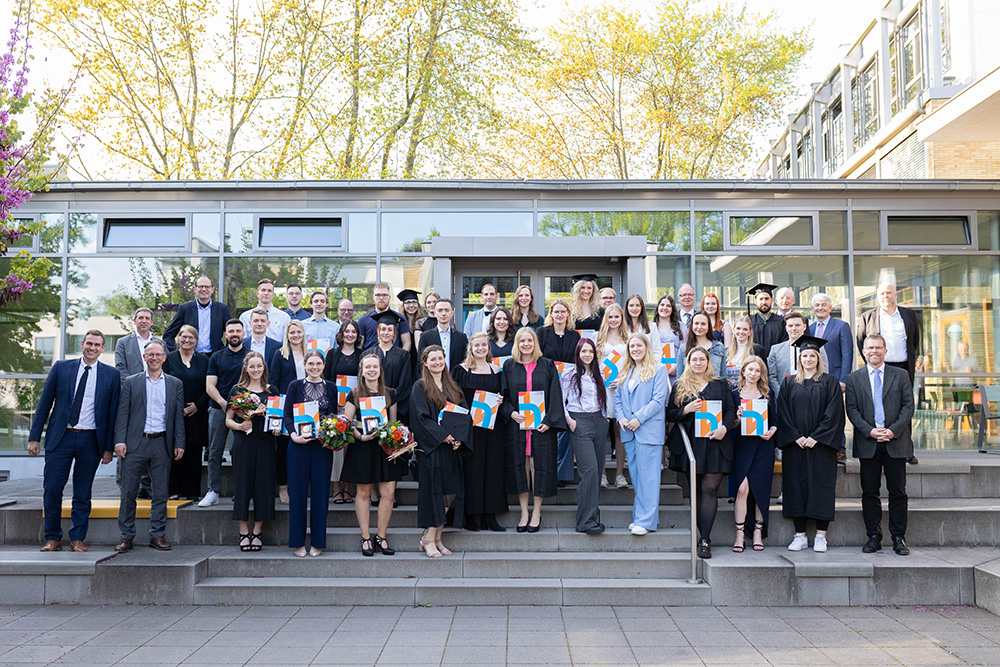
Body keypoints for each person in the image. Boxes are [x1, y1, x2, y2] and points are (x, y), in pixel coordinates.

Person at [29, 330, 121, 552]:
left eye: (97, 344)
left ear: (102, 348)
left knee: (83, 491)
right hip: (61, 438)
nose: (92, 347)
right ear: (82, 344)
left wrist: (109, 448)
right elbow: (44, 405)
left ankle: (77, 538)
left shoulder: (111, 375)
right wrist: (34, 438)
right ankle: (53, 538)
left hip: (91, 440)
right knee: (52, 488)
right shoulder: (61, 368)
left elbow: (112, 414)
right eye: (89, 343)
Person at [113, 339, 185, 553]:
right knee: (128, 492)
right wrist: (120, 441)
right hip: (135, 444)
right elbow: (122, 413)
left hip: (162, 443)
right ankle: (126, 537)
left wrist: (179, 442)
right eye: (150, 354)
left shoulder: (175, 383)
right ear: (144, 358)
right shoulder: (132, 382)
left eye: (158, 354)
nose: (154, 358)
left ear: (164, 357)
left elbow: (177, 418)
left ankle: (157, 535)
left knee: (161, 493)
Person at [845, 335, 914, 556]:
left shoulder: (901, 375)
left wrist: (893, 431)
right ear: (863, 352)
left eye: (878, 347)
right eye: (870, 348)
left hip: (895, 441)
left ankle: (898, 537)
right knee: (869, 492)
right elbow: (852, 410)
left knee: (898, 492)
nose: (874, 351)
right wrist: (870, 431)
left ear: (885, 351)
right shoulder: (854, 378)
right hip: (869, 442)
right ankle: (873, 536)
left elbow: (908, 406)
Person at [776, 336, 846, 553]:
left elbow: (834, 413)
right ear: (799, 358)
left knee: (821, 487)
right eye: (804, 355)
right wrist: (795, 436)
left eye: (812, 356)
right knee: (795, 487)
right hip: (795, 445)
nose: (808, 359)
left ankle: (821, 536)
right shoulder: (789, 383)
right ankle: (800, 535)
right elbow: (783, 413)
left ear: (818, 358)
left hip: (821, 446)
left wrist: (816, 437)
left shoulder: (829, 382)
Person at [666, 346, 735, 558]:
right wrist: (686, 410)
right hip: (691, 445)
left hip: (715, 443)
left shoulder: (720, 384)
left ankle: (705, 539)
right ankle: (700, 536)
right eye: (694, 359)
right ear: (688, 362)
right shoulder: (680, 385)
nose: (698, 363)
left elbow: (731, 411)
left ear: (708, 362)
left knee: (710, 488)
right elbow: (670, 413)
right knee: (695, 490)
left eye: (702, 360)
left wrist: (724, 427)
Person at [500, 327, 567, 532]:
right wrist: (511, 413)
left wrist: (549, 420)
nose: (526, 344)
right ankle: (524, 512)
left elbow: (555, 394)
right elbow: (504, 397)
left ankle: (536, 511)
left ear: (535, 343)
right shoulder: (510, 366)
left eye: (529, 340)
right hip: (517, 427)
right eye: (522, 341)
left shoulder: (547, 365)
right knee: (521, 467)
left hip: (540, 428)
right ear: (517, 344)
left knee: (538, 467)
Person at [411, 345, 473, 557]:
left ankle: (437, 537)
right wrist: (442, 436)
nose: (437, 362)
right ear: (425, 363)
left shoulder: (452, 386)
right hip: (433, 449)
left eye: (440, 359)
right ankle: (429, 538)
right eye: (433, 359)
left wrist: (459, 439)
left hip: (451, 449)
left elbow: (464, 414)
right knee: (435, 493)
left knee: (450, 492)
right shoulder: (420, 387)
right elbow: (420, 419)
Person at [342, 353, 406, 556]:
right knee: (363, 493)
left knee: (388, 494)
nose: (371, 370)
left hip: (384, 448)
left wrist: (394, 437)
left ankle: (381, 536)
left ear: (380, 370)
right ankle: (366, 537)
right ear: (361, 371)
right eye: (367, 367)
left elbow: (394, 422)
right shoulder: (354, 394)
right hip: (363, 446)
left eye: (375, 367)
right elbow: (345, 422)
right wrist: (360, 436)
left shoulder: (390, 393)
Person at [855, 281, 920, 463]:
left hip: (902, 368)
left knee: (904, 407)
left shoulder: (908, 315)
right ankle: (879, 444)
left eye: (889, 293)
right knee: (879, 405)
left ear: (896, 295)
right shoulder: (868, 316)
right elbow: (861, 342)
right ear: (878, 296)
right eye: (882, 293)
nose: (886, 296)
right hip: (878, 368)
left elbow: (914, 341)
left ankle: (906, 449)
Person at [283, 350, 337, 557]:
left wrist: (331, 432)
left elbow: (333, 415)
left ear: (323, 365)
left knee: (321, 494)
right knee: (297, 494)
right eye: (311, 364)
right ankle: (297, 542)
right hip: (298, 445)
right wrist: (293, 434)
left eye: (318, 364)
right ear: (304, 365)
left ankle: (317, 542)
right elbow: (287, 415)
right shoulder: (294, 386)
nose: (314, 367)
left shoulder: (331, 387)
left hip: (322, 446)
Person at [453, 332, 508, 532]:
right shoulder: (461, 370)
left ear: (488, 347)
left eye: (484, 345)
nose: (480, 348)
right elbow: (455, 397)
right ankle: (470, 515)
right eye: (477, 345)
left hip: (493, 429)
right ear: (471, 347)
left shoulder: (497, 370)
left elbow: (504, 395)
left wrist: (500, 400)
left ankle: (489, 516)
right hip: (471, 429)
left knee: (493, 470)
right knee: (472, 470)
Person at [226, 352, 279, 552]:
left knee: (264, 486)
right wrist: (239, 426)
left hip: (265, 443)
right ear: (246, 368)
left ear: (264, 367)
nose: (256, 370)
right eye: (252, 366)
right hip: (244, 442)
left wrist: (277, 428)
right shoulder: (237, 390)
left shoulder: (272, 390)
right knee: (242, 485)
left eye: (259, 366)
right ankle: (243, 531)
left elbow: (277, 417)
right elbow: (228, 420)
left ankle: (257, 531)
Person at [562, 338, 610, 534]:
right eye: (584, 351)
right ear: (578, 353)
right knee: (589, 471)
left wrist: (606, 418)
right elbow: (560, 399)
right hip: (578, 421)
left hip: (598, 420)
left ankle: (593, 517)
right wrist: (569, 420)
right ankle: (584, 522)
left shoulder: (600, 375)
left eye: (590, 351)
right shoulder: (569, 375)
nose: (587, 355)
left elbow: (607, 397)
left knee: (597, 472)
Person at [731, 356, 777, 552]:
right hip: (741, 446)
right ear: (743, 371)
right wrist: (737, 418)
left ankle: (758, 531)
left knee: (760, 490)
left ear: (761, 374)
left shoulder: (767, 395)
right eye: (750, 370)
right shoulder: (734, 394)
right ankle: (739, 534)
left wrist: (771, 431)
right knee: (742, 489)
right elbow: (728, 423)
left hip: (762, 447)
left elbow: (775, 421)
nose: (753, 374)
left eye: (757, 371)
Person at [202, 319, 249, 507]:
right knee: (214, 451)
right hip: (218, 409)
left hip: (244, 411)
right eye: (231, 331)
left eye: (238, 330)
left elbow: (255, 383)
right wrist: (224, 403)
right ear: (226, 334)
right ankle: (212, 491)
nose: (235, 334)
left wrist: (240, 407)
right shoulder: (216, 357)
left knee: (241, 453)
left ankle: (241, 491)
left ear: (244, 334)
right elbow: (209, 385)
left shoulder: (250, 356)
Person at [163, 326, 210, 501]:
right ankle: (173, 489)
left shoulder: (204, 360)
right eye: (183, 337)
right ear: (178, 339)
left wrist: (197, 405)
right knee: (175, 451)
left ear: (196, 341)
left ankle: (191, 491)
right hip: (175, 412)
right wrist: (177, 408)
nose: (187, 340)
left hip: (197, 413)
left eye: (191, 337)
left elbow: (210, 385)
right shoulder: (169, 359)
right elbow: (164, 383)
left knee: (194, 451)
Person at [537, 299, 580, 486]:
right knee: (549, 428)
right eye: (556, 312)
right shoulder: (542, 333)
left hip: (569, 386)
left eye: (563, 311)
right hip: (547, 385)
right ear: (551, 314)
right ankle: (547, 473)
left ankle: (562, 474)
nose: (560, 315)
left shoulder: (574, 336)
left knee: (565, 428)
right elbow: (538, 357)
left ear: (568, 314)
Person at [322, 320, 363, 504]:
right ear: (341, 333)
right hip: (337, 408)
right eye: (347, 331)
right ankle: (336, 488)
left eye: (353, 332)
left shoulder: (363, 355)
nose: (350, 334)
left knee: (351, 449)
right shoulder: (332, 354)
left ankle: (347, 489)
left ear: (357, 335)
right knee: (337, 449)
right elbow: (328, 381)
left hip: (356, 409)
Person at [269, 320, 308, 505]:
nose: (295, 335)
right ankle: (283, 487)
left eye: (298, 332)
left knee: (303, 448)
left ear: (303, 334)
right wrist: (276, 418)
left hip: (307, 408)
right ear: (287, 335)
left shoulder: (310, 354)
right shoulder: (280, 354)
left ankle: (298, 486)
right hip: (286, 406)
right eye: (292, 332)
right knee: (283, 449)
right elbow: (273, 385)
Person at [597, 303, 629, 488]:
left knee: (620, 430)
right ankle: (601, 474)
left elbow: (633, 364)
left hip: (622, 389)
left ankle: (619, 474)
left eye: (617, 317)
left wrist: (623, 380)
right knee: (602, 431)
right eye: (610, 317)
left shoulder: (628, 337)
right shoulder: (598, 338)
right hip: (603, 390)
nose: (614, 320)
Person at [163, 275, 232, 354]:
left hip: (214, 357)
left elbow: (231, 333)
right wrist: (177, 353)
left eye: (207, 287)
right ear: (195, 289)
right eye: (200, 286)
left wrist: (226, 352)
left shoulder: (222, 309)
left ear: (212, 289)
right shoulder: (185, 309)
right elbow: (168, 335)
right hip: (190, 357)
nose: (203, 289)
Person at [768, 312, 829, 398]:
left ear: (804, 327)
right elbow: (772, 376)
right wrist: (781, 393)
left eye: (797, 325)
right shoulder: (775, 350)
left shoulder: (818, 348)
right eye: (790, 326)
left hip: (812, 396)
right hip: (784, 396)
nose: (794, 328)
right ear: (786, 328)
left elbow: (824, 371)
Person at [371, 310, 413, 422]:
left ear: (395, 333)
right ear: (378, 331)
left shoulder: (403, 355)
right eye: (383, 329)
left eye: (390, 330)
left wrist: (391, 399)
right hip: (372, 406)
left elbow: (405, 383)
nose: (386, 333)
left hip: (398, 406)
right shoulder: (368, 355)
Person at [809, 293, 853, 389]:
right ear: (812, 308)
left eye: (824, 305)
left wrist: (843, 380)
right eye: (817, 305)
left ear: (830, 308)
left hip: (835, 376)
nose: (820, 308)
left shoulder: (842, 326)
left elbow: (847, 354)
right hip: (814, 379)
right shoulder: (809, 329)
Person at [418, 298, 468, 371]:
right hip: (433, 380)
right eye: (440, 310)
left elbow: (465, 361)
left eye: (447, 310)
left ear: (452, 313)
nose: (443, 313)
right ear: (435, 313)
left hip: (456, 380)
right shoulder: (425, 336)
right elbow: (421, 362)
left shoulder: (461, 337)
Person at [358, 282, 410, 351]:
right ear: (373, 297)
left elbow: (406, 343)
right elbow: (359, 345)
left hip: (393, 358)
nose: (381, 298)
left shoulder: (399, 318)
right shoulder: (363, 320)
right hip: (369, 359)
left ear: (389, 297)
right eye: (378, 295)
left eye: (385, 295)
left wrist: (402, 358)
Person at [676, 311, 726, 377]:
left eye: (703, 324)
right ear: (692, 326)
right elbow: (680, 377)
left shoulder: (719, 347)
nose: (699, 327)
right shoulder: (683, 348)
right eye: (696, 323)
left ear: (708, 326)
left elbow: (723, 375)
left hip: (715, 386)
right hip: (690, 387)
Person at [747, 282, 787, 359]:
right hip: (754, 362)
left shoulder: (781, 321)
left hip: (776, 362)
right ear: (755, 302)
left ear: (772, 300)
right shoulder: (749, 321)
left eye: (766, 299)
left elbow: (784, 344)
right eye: (761, 299)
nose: (764, 302)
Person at [115, 307, 155, 378]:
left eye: (147, 318)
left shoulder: (160, 344)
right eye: (141, 318)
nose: (144, 321)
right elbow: (120, 367)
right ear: (134, 321)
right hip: (131, 387)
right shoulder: (123, 343)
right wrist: (130, 386)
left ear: (151, 322)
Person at [725, 316, 764, 388]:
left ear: (750, 332)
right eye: (738, 328)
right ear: (733, 330)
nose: (741, 332)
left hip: (749, 392)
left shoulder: (757, 350)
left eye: (745, 329)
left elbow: (763, 374)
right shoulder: (726, 351)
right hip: (730, 392)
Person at [653, 295, 684, 378]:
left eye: (668, 306)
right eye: (662, 305)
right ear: (658, 307)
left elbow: (686, 350)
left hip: (675, 374)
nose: (665, 308)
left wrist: (677, 368)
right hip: (654, 374)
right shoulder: (650, 326)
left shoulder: (681, 326)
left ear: (672, 309)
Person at [398, 288, 422, 375]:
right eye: (408, 302)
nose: (411, 305)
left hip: (419, 362)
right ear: (403, 305)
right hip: (404, 361)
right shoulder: (398, 322)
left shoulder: (423, 322)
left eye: (414, 302)